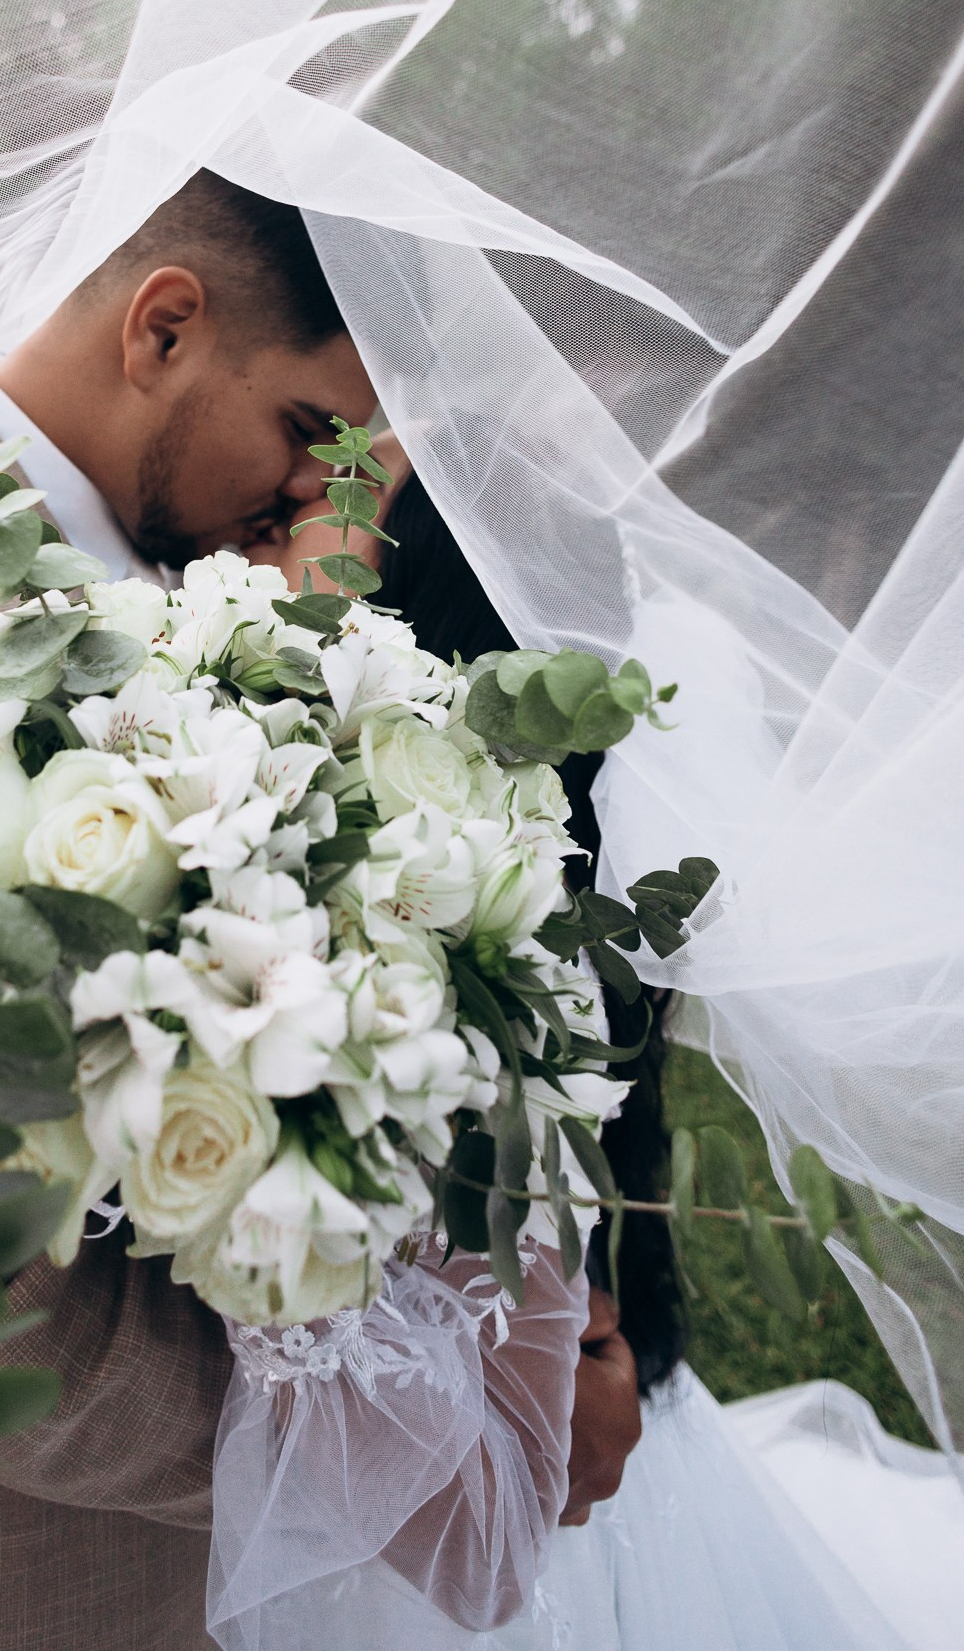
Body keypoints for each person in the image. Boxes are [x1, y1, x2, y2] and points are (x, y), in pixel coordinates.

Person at [0, 173, 637, 1651]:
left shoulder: (159, 546)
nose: (321, 496)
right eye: (308, 432)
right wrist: (444, 1448)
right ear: (163, 325)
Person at [259, 454, 917, 1651]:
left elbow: (490, 1511)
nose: (263, 543)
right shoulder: (537, 905)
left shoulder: (466, 985)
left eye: (290, 523)